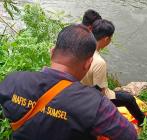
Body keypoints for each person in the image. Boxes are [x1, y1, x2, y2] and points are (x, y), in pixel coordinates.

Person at [0, 24, 137, 140]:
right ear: (88, 64)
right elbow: (129, 135)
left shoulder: (12, 81)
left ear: (52, 52)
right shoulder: (95, 103)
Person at [81, 19, 147, 127]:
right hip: (91, 99)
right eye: (111, 38)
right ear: (106, 39)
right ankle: (143, 121)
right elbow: (101, 93)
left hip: (80, 91)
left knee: (123, 95)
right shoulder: (99, 62)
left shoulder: (80, 49)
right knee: (128, 99)